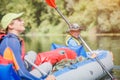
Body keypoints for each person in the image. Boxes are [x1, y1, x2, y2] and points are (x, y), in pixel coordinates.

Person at [0, 12, 56, 80]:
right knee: (48, 65)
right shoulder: (12, 41)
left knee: (32, 53)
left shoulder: (9, 39)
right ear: (11, 26)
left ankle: (29, 73)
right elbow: (21, 73)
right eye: (19, 20)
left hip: (13, 73)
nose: (23, 22)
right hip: (16, 77)